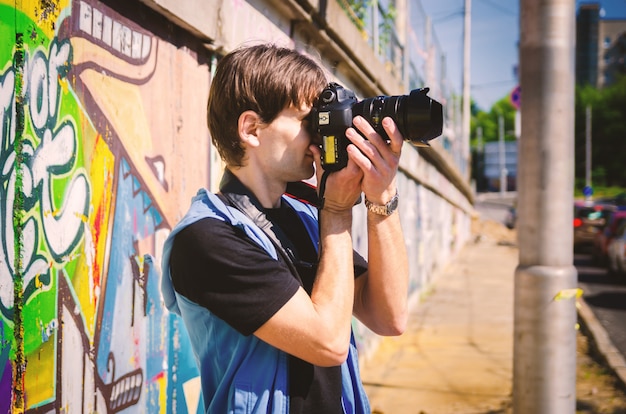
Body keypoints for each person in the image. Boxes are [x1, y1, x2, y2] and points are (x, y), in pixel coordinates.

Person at [160, 43, 409, 414]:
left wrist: (381, 196)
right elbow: (328, 343)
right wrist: (338, 212)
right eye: (309, 121)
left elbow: (389, 316)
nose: (318, 137)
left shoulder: (304, 219)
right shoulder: (206, 239)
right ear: (252, 129)